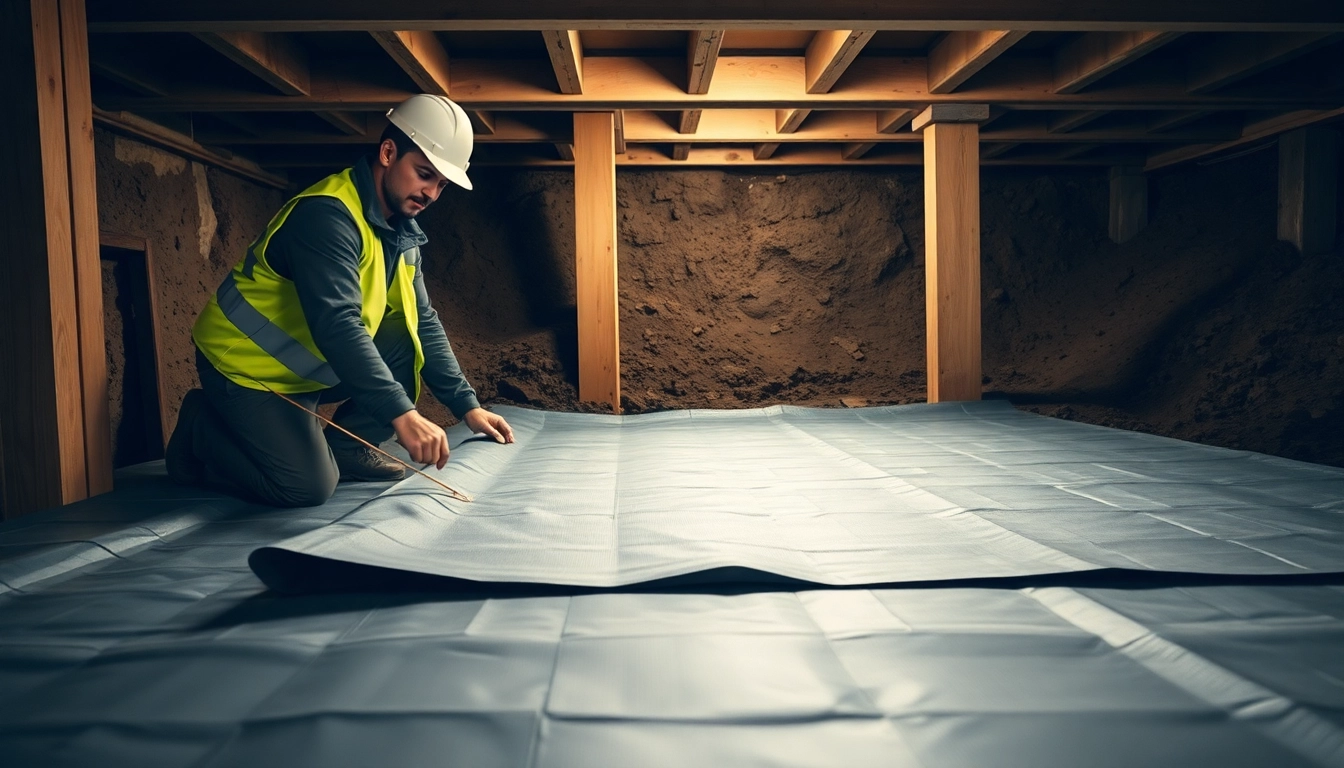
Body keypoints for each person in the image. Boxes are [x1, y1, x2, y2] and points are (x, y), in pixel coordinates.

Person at [165, 94, 513, 507]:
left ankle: (348, 451)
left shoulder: (401, 231)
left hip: (306, 368)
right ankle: (199, 427)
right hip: (243, 368)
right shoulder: (327, 217)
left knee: (405, 343)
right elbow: (338, 324)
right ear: (388, 152)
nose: (432, 193)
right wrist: (401, 415)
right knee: (307, 487)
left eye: (441, 184)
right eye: (424, 174)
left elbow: (422, 321)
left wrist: (467, 407)